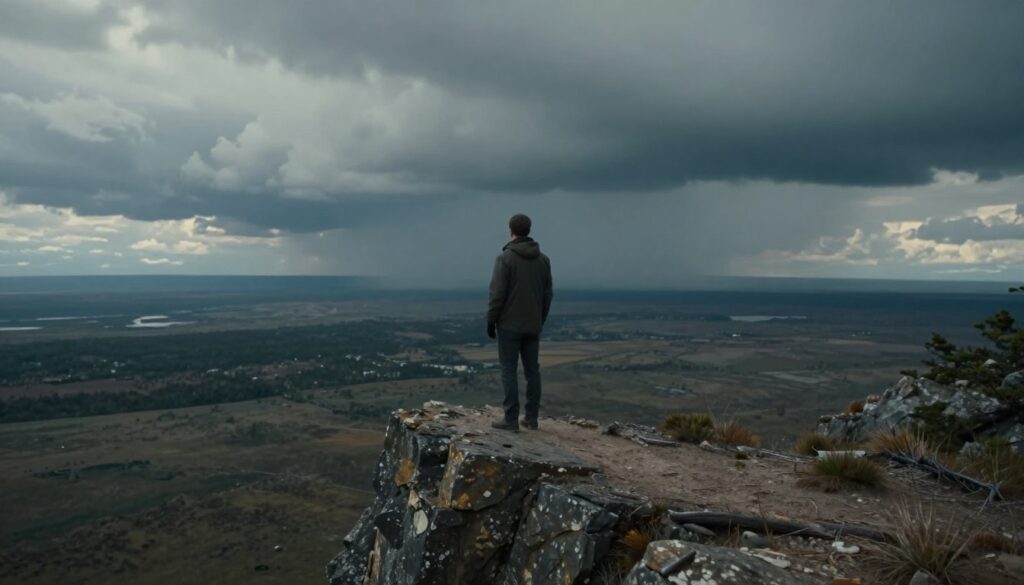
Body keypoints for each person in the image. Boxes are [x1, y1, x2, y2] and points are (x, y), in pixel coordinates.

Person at [487, 214, 553, 431]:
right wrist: (540, 319)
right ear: (529, 230)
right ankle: (532, 418)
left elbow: (497, 295)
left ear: (510, 231)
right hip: (533, 325)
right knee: (532, 370)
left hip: (509, 325)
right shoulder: (543, 260)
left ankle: (511, 418)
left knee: (508, 369)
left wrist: (491, 320)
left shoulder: (505, 258)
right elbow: (547, 295)